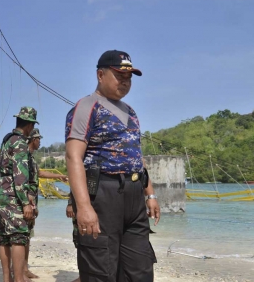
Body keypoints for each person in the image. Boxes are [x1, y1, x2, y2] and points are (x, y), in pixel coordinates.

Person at [65, 50, 160, 282]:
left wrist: (150, 195)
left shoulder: (131, 112)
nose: (125, 81)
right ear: (100, 74)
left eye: (129, 77)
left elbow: (136, 155)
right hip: (103, 194)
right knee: (101, 269)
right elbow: (73, 157)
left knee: (140, 268)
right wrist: (84, 207)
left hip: (134, 196)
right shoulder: (87, 106)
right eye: (119, 75)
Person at [0, 106, 39, 282]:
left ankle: (7, 278)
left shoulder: (7, 140)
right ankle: (19, 279)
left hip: (1, 195)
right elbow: (19, 175)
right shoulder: (20, 143)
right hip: (13, 196)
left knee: (4, 237)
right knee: (19, 237)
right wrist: (26, 202)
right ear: (29, 125)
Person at [23, 128, 68, 279]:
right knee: (23, 237)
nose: (40, 141)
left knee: (26, 236)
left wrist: (58, 176)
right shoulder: (25, 157)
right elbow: (23, 181)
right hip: (27, 201)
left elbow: (39, 173)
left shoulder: (31, 157)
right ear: (33, 140)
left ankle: (23, 268)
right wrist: (30, 203)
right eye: (38, 139)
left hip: (30, 201)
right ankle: (22, 269)